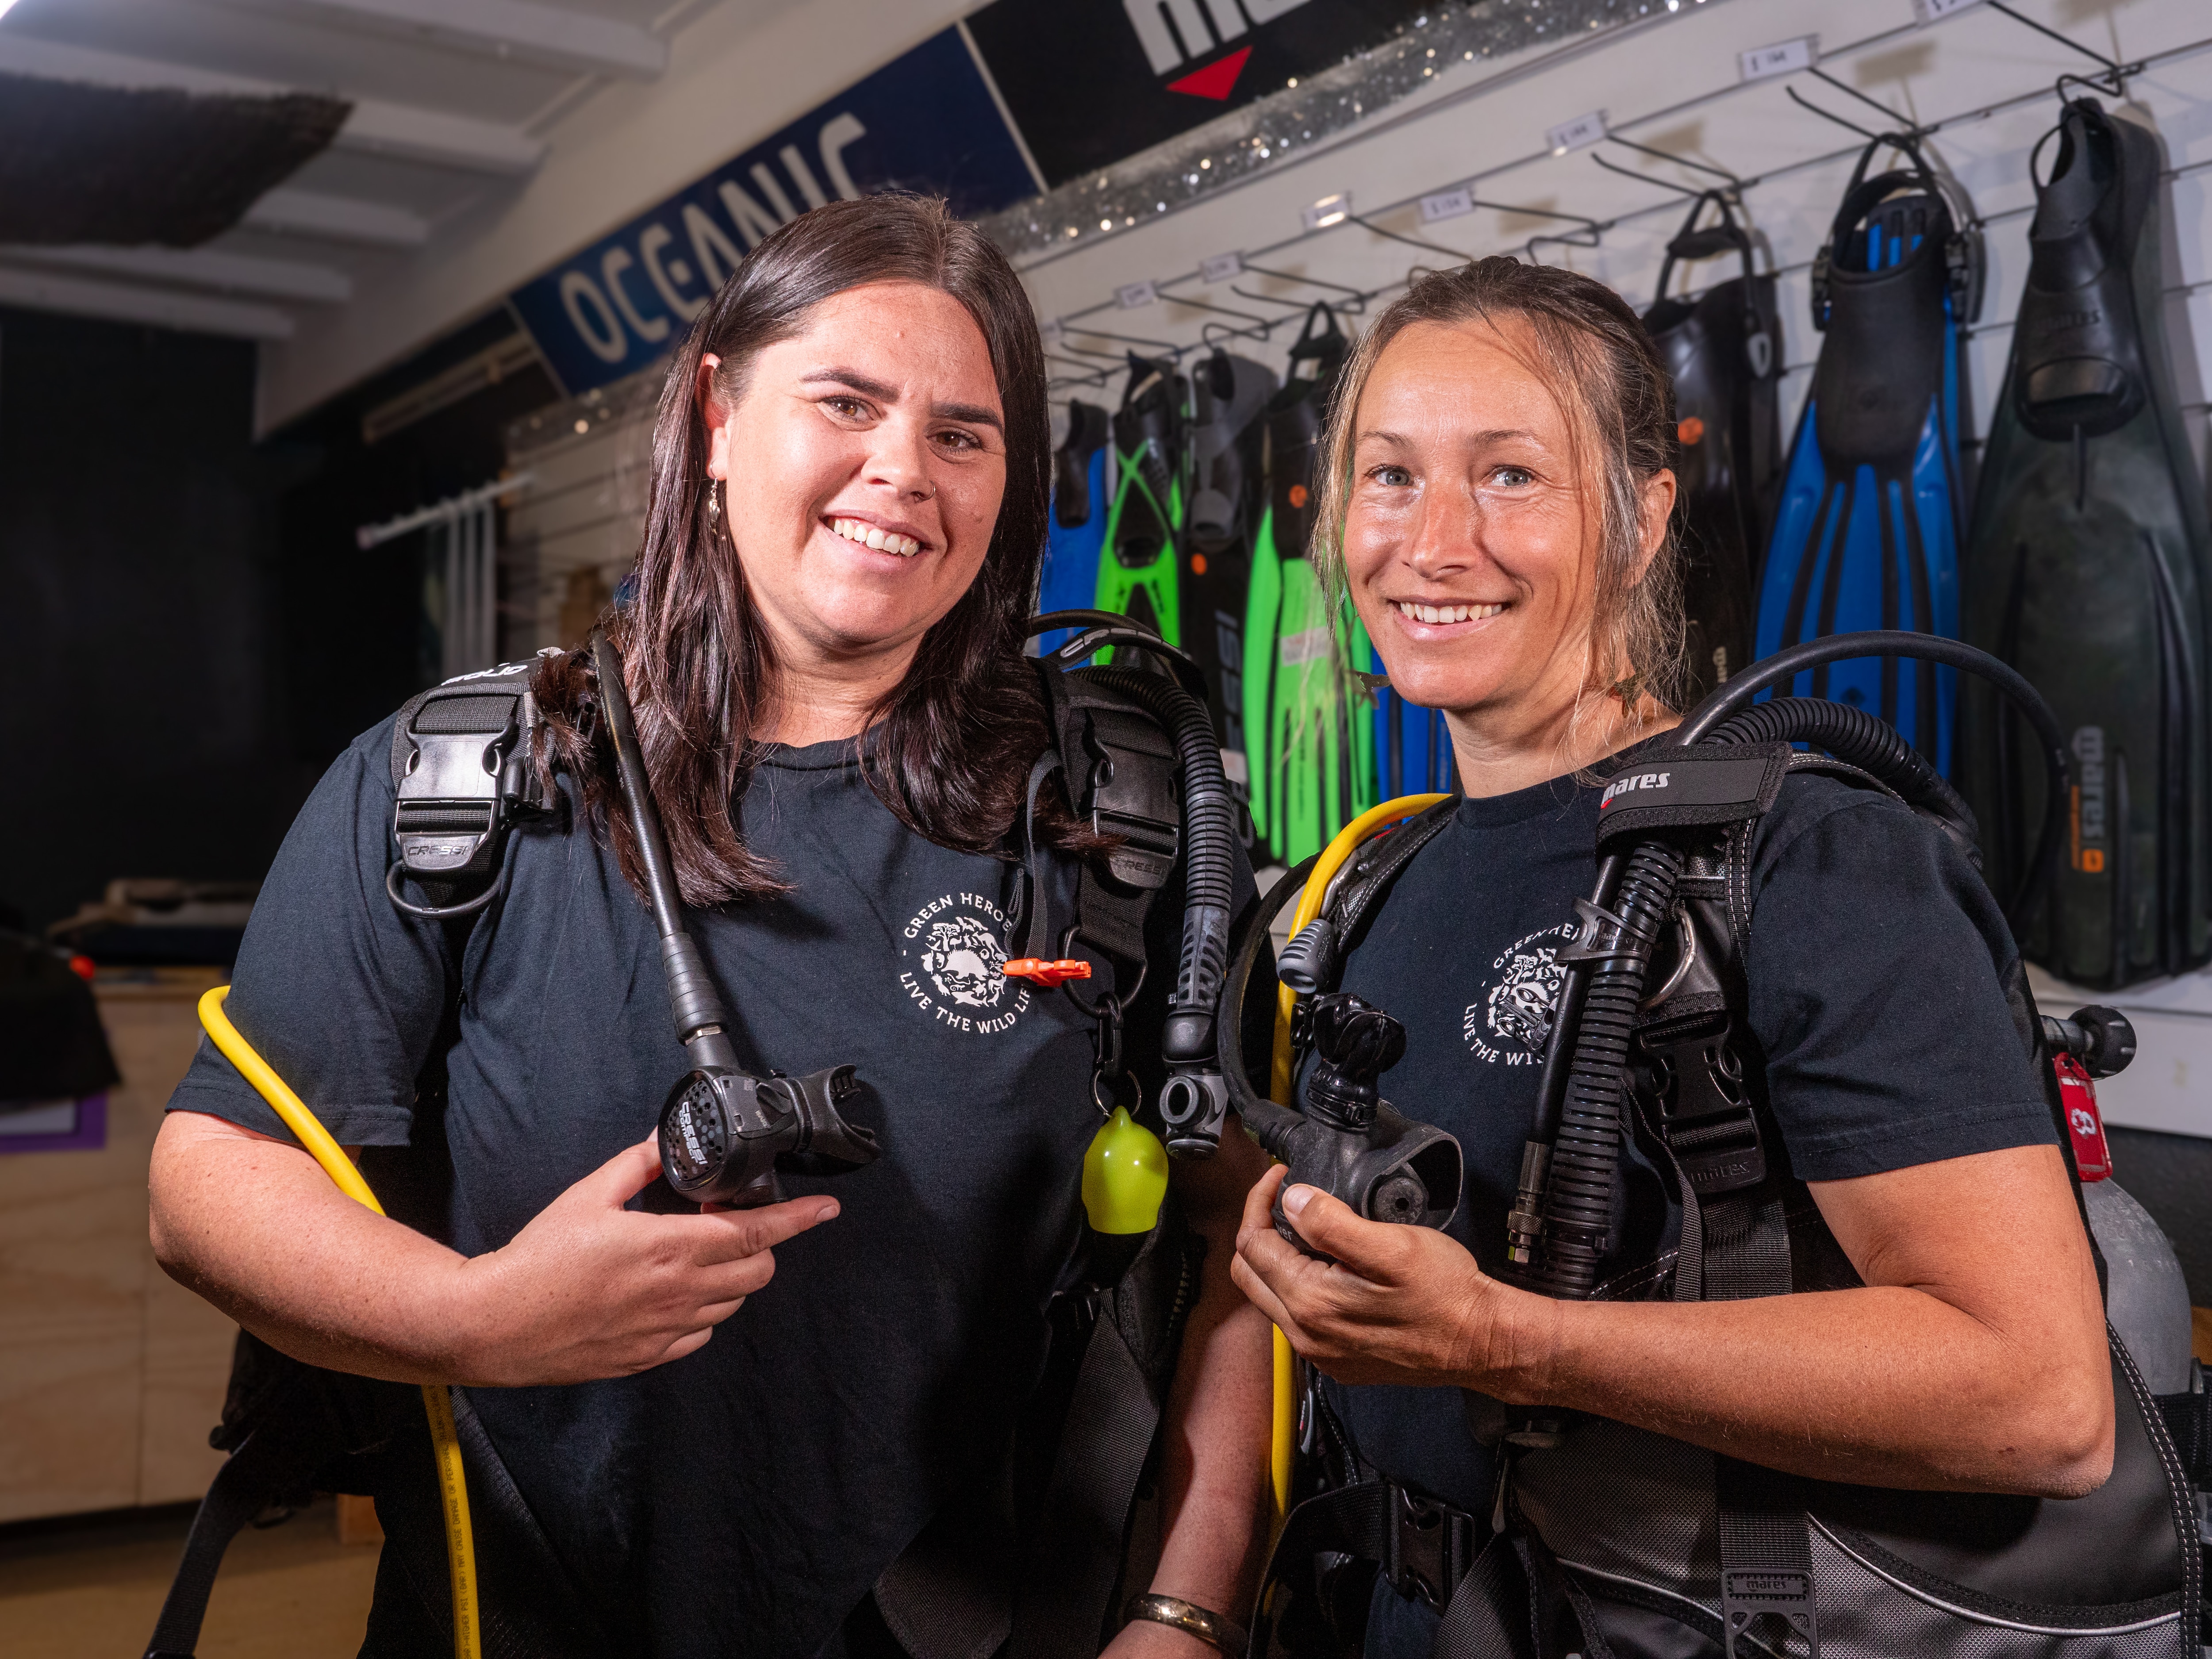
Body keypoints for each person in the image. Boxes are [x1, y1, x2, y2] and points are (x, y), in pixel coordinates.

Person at [150, 195, 1271, 1658]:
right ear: (720, 413)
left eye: (963, 433)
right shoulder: (457, 787)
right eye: (845, 402)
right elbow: (205, 1185)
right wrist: (474, 1321)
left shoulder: (1115, 810)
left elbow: (1240, 1239)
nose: (901, 470)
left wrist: (1185, 1614)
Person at [1228, 259, 2120, 1656]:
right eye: (1390, 475)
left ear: (1644, 522)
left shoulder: (1815, 862)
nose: (1434, 540)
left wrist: (1509, 1341)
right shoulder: (1376, 876)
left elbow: (2038, 1399)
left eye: (1512, 476)